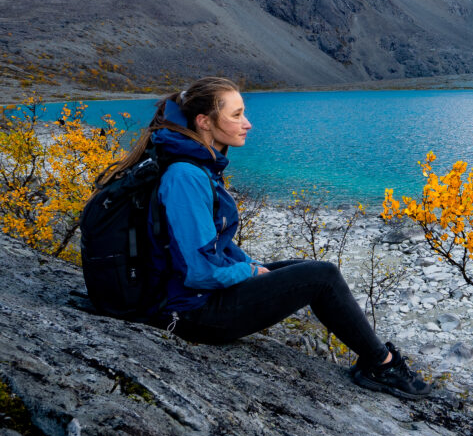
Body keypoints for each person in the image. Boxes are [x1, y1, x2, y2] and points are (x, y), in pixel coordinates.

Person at [98, 76, 430, 400]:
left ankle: (377, 359)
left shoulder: (194, 166)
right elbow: (199, 272)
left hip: (189, 297)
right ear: (204, 122)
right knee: (322, 276)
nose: (248, 124)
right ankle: (382, 364)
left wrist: (251, 265)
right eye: (237, 115)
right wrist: (250, 273)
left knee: (305, 269)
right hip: (187, 312)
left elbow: (213, 246)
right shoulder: (186, 175)